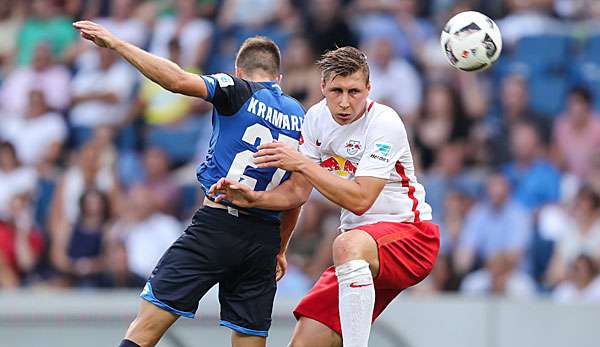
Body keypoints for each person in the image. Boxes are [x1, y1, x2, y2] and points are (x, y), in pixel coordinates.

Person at [73, 21, 306, 347]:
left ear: (238, 70)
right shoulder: (300, 116)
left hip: (218, 224)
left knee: (146, 326)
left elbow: (177, 80)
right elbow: (296, 195)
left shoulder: (236, 88)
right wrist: (280, 248)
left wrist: (118, 44)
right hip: (264, 241)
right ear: (278, 78)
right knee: (249, 338)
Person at [210, 46, 440, 347]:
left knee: (345, 243)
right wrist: (254, 202)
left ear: (369, 88)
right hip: (360, 255)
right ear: (323, 87)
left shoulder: (384, 123)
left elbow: (360, 200)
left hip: (411, 237)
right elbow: (296, 192)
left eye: (354, 91)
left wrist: (302, 162)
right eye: (337, 90)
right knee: (304, 343)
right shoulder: (315, 119)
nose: (345, 102)